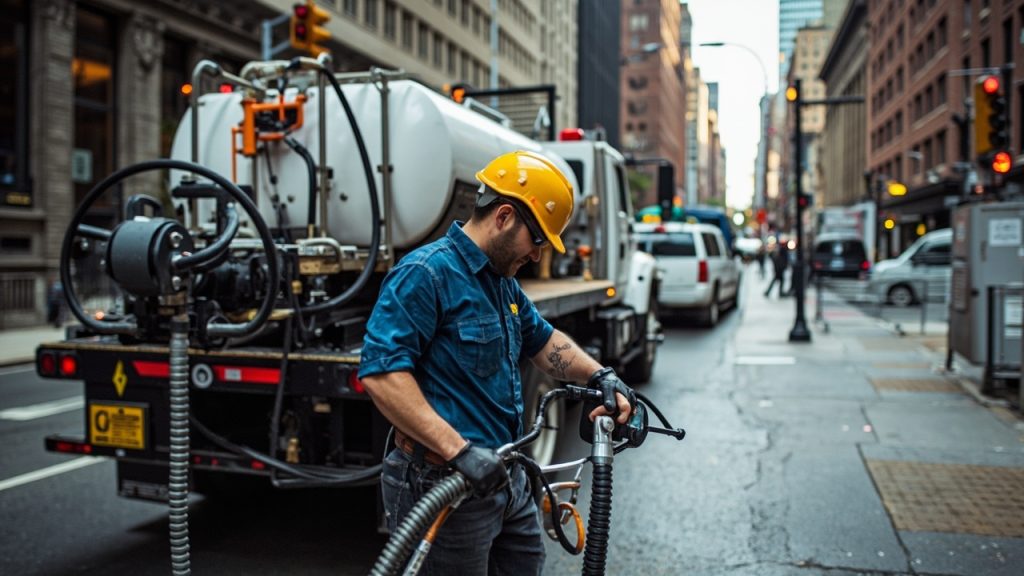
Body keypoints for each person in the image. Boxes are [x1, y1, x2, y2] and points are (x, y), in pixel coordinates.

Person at [358, 150, 637, 575]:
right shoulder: (426, 273)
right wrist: (460, 452)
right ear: (504, 216)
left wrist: (600, 375)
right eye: (537, 240)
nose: (538, 256)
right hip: (442, 482)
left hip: (507, 478)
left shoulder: (501, 282)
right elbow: (382, 375)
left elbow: (543, 341)